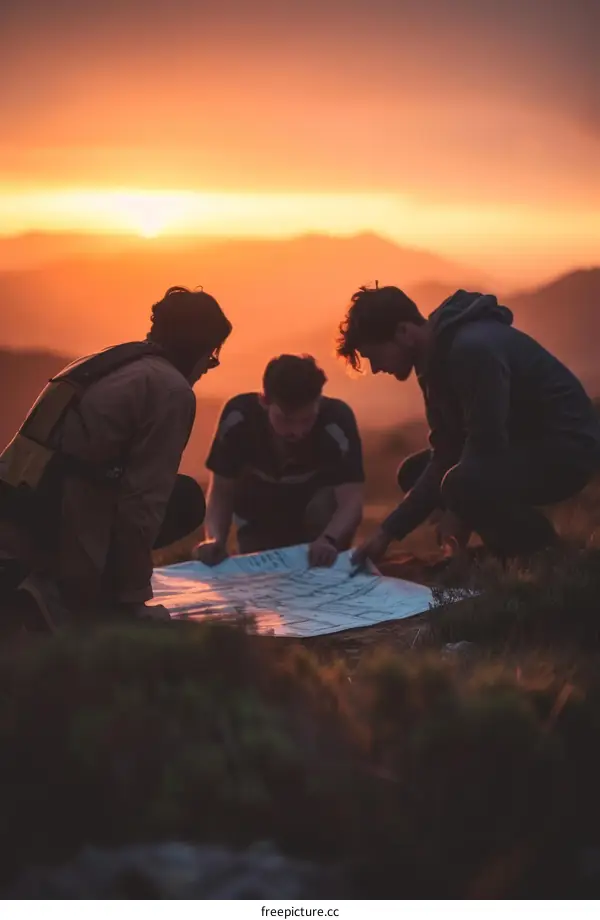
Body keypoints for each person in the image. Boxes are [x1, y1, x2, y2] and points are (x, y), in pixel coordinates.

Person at [0, 286, 232, 630]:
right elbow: (144, 503)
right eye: (212, 356)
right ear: (197, 349)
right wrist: (135, 601)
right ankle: (64, 594)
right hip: (62, 518)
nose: (210, 367)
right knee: (184, 499)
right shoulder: (171, 390)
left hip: (18, 507)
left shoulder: (107, 361)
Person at [337, 284, 600, 569]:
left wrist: (457, 512)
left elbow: (485, 445)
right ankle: (505, 548)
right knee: (415, 473)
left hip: (569, 450)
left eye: (375, 356)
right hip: (523, 444)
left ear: (404, 332)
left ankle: (545, 553)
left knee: (460, 484)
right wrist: (386, 533)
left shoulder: (471, 350)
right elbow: (447, 450)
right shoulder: (433, 359)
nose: (376, 368)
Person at [193, 354, 364, 567]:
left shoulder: (337, 420)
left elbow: (351, 501)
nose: (297, 431)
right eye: (286, 420)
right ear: (264, 401)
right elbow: (221, 491)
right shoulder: (239, 418)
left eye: (307, 419)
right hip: (258, 517)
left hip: (317, 524)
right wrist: (215, 539)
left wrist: (329, 539)